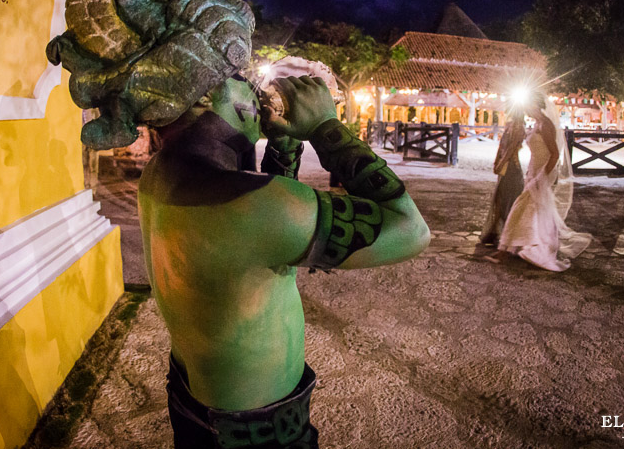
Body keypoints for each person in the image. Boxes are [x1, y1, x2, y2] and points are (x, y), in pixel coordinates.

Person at [138, 74, 430, 448]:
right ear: (209, 91)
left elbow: (261, 241)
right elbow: (411, 230)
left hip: (191, 397)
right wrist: (327, 127)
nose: (257, 92)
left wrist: (284, 148)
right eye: (241, 77)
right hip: (256, 428)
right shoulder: (254, 207)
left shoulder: (159, 172)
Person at [497, 92, 591, 271]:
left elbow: (554, 154)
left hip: (544, 173)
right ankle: (527, 245)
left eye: (526, 106)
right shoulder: (537, 124)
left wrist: (542, 176)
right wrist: (531, 172)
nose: (524, 110)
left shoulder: (546, 125)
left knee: (521, 207)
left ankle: (507, 248)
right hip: (533, 171)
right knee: (537, 212)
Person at [479, 108, 525, 246]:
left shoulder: (519, 129)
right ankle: (494, 231)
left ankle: (504, 232)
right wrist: (496, 161)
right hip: (505, 166)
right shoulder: (509, 126)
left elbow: (511, 149)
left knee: (507, 199)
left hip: (512, 168)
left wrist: (501, 162)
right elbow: (501, 146)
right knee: (499, 198)